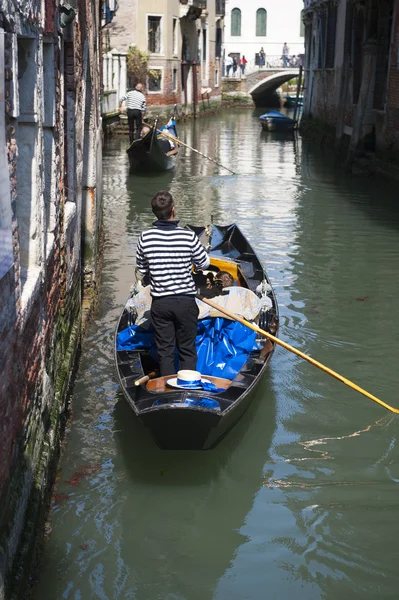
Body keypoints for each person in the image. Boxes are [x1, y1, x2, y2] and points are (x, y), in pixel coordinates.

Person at [136, 191, 210, 376]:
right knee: (187, 349)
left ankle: (167, 393)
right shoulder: (188, 236)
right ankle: (187, 389)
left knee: (165, 352)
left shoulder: (145, 237)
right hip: (185, 302)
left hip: (161, 303)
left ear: (155, 213)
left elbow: (142, 269)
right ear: (173, 211)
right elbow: (204, 263)